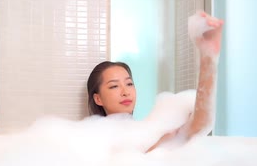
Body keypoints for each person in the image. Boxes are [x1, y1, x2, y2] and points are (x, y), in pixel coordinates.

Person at [86, 11, 224, 152]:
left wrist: (208, 56)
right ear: (98, 99)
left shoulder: (148, 130)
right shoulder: (95, 140)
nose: (125, 92)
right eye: (114, 86)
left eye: (129, 84)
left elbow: (201, 124)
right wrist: (159, 146)